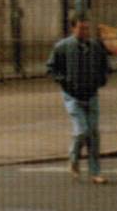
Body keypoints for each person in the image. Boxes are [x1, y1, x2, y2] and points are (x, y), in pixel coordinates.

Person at [47, 14, 112, 184]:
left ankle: (95, 172)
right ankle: (74, 158)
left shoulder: (96, 46)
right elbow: (51, 68)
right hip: (72, 96)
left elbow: (105, 65)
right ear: (73, 28)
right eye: (81, 28)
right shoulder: (62, 47)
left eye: (87, 28)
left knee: (94, 134)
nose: (85, 31)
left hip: (91, 94)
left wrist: (101, 79)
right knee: (82, 130)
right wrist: (64, 81)